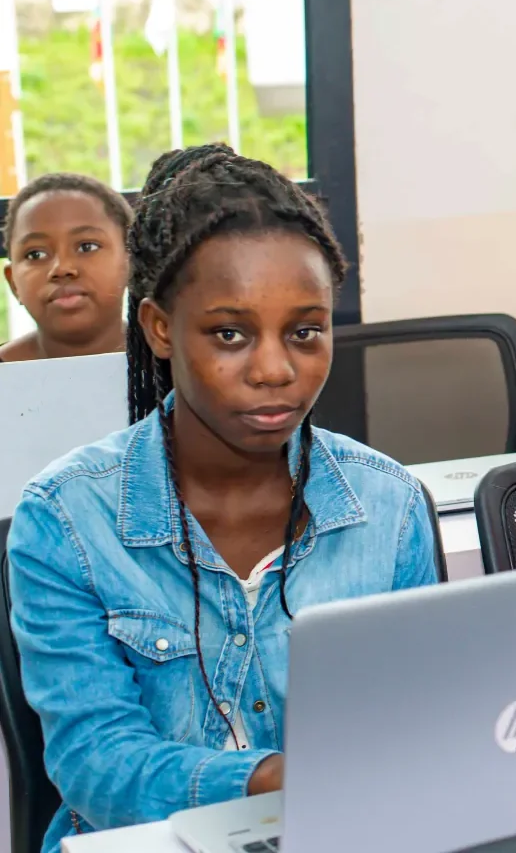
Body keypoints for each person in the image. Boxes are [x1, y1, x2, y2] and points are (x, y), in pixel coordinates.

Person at [8, 145, 438, 851]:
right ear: (157, 329)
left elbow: (423, 721)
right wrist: (273, 779)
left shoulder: (388, 507)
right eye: (230, 334)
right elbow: (96, 764)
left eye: (305, 332)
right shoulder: (65, 519)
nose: (274, 369)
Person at [1, 172, 133, 363]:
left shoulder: (175, 365)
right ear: (13, 282)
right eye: (35, 254)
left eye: (87, 247)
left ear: (131, 262)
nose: (62, 268)